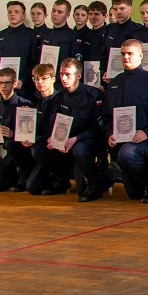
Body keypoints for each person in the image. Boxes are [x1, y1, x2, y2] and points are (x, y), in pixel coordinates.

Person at [102, 39, 148, 203]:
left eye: (130, 54)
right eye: (123, 54)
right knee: (134, 194)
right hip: (122, 141)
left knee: (127, 153)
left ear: (141, 56)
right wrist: (110, 133)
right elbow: (106, 116)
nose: (126, 57)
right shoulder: (114, 84)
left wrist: (147, 132)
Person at [42, 58, 106, 202]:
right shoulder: (59, 97)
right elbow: (57, 122)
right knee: (42, 148)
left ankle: (94, 183)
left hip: (90, 139)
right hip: (69, 140)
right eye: (61, 74)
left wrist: (76, 139)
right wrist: (55, 137)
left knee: (79, 150)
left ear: (78, 76)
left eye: (68, 74)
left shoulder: (93, 95)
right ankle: (61, 178)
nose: (63, 78)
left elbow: (98, 127)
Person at [0, 67, 35, 192]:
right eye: (0, 83)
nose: (3, 86)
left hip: (25, 154)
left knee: (10, 143)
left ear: (14, 84)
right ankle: (3, 168)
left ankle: (24, 174)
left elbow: (30, 136)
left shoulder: (25, 105)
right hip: (10, 155)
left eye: (7, 83)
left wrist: (12, 134)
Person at [22, 63, 62, 195]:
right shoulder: (37, 102)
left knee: (37, 149)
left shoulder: (60, 100)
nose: (39, 82)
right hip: (43, 147)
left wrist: (35, 139)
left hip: (57, 147)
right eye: (36, 79)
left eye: (44, 78)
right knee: (32, 188)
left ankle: (60, 178)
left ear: (53, 79)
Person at [0, 0, 41, 100]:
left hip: (25, 87)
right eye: (10, 12)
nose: (12, 14)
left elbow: (35, 62)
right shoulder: (0, 36)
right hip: (4, 87)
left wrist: (22, 80)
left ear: (23, 15)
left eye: (17, 12)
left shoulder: (32, 35)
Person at [39, 0, 78, 69]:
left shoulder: (72, 36)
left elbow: (75, 63)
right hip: (45, 73)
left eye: (59, 12)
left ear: (67, 15)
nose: (55, 14)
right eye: (53, 10)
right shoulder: (46, 34)